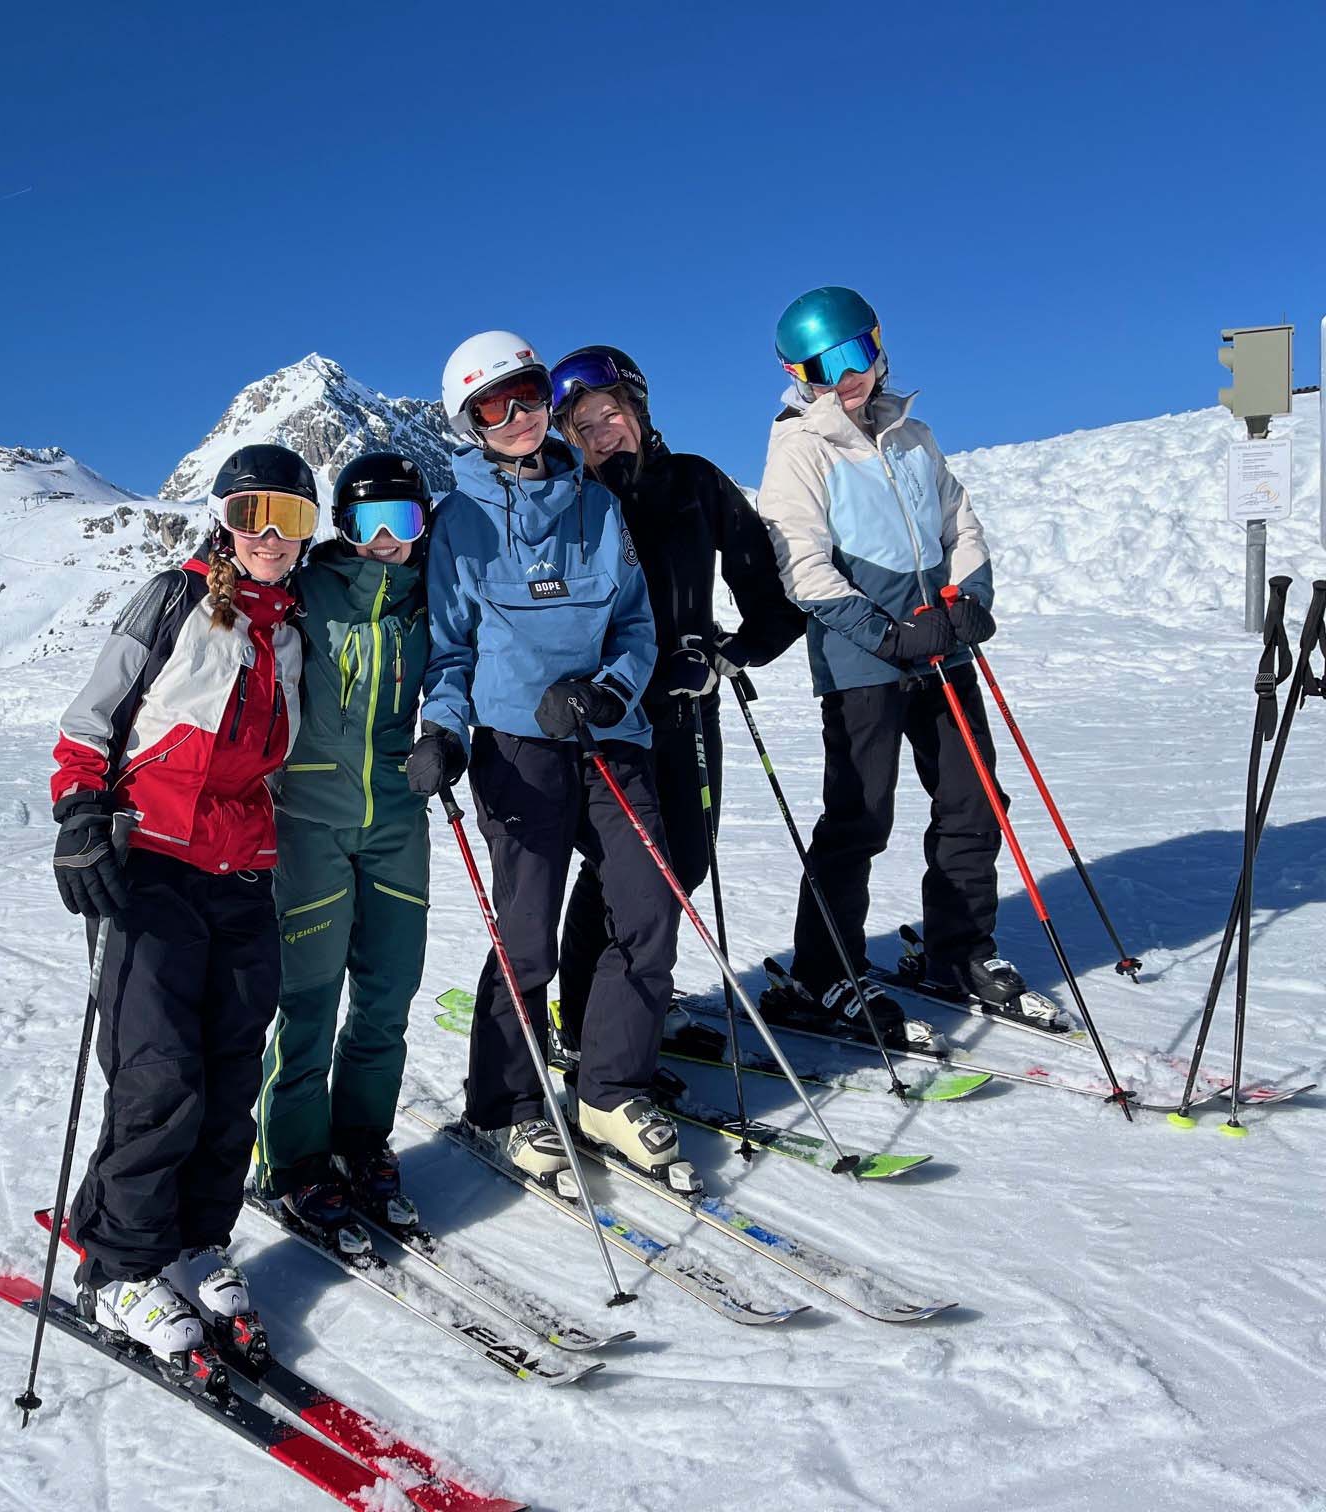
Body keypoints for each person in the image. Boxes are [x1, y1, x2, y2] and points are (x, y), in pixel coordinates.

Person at [49, 442, 315, 1360]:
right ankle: (119, 1268)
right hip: (153, 864)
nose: (273, 537)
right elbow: (92, 720)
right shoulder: (172, 600)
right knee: (160, 1073)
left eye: (295, 519)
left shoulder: (293, 630)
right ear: (224, 520)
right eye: (255, 516)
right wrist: (81, 813)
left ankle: (196, 1241)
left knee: (233, 1069)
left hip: (245, 873)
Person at [408, 329, 685, 1179]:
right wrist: (444, 731)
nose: (519, 415)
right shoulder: (457, 521)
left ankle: (608, 1092)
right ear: (470, 422)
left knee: (646, 910)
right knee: (525, 932)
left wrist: (609, 690)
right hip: (516, 749)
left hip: (609, 737)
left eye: (528, 393)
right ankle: (507, 1105)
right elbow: (450, 649)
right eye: (494, 405)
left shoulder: (597, 505)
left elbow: (637, 626)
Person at [750, 286, 1020, 1041]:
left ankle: (959, 948)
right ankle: (823, 970)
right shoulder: (800, 448)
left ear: (877, 345)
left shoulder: (912, 435)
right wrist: (885, 633)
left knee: (974, 799)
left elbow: (959, 522)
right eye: (823, 366)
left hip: (942, 644)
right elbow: (800, 565)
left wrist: (970, 596)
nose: (847, 377)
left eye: (856, 354)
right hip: (864, 661)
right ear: (797, 375)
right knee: (861, 817)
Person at [547, 345, 807, 1065]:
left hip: (688, 709)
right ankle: (585, 1025)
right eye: (583, 426)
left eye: (611, 415)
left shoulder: (693, 483)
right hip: (608, 718)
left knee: (682, 866)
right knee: (616, 874)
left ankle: (630, 1005)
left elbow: (770, 591)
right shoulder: (571, 503)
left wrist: (729, 654)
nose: (602, 434)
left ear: (638, 410)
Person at [254, 452, 434, 1244]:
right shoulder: (304, 590)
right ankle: (292, 1161)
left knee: (387, 997)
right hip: (311, 820)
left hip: (399, 820)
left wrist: (449, 738)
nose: (387, 539)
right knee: (309, 998)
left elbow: (460, 670)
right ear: (342, 527)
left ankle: (360, 1142)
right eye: (368, 522)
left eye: (405, 520)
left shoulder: (436, 593)